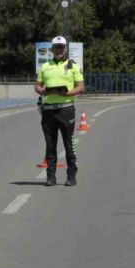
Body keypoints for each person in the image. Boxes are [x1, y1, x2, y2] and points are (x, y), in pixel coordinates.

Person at [34, 36, 85, 186]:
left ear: (66, 49)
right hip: (48, 111)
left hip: (66, 109)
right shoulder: (44, 66)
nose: (59, 50)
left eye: (62, 47)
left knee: (69, 144)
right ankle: (51, 177)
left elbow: (81, 87)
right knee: (50, 145)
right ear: (52, 49)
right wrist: (42, 91)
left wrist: (68, 93)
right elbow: (37, 85)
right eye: (56, 47)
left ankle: (71, 176)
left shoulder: (73, 66)